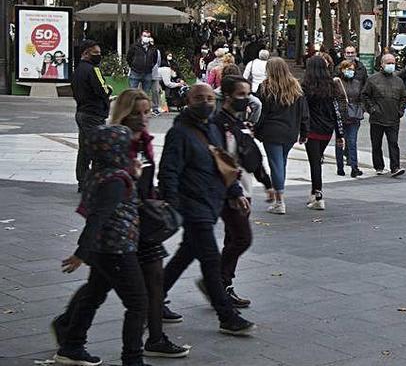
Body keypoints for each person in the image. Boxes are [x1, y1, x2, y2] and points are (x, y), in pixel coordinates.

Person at [160, 83, 255, 336]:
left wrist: (235, 191)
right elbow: (168, 171)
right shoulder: (179, 133)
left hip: (210, 202)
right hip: (193, 205)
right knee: (211, 261)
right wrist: (173, 203)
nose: (206, 103)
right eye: (199, 98)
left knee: (186, 254)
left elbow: (222, 161)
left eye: (210, 98)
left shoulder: (211, 128)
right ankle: (227, 316)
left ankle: (154, 297)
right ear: (188, 101)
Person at [52, 125, 149, 366]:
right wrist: (80, 253)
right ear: (116, 149)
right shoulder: (115, 179)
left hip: (103, 250)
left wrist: (132, 176)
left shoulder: (101, 173)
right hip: (116, 250)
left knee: (92, 295)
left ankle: (72, 346)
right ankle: (132, 359)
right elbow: (100, 217)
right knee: (138, 303)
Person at [106, 89, 190, 359]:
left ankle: (155, 338)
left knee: (154, 282)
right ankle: (70, 332)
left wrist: (156, 199)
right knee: (99, 288)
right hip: (122, 225)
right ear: (124, 114)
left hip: (143, 223)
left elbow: (145, 181)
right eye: (137, 113)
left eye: (146, 112)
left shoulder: (143, 142)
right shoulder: (115, 143)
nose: (143, 118)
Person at [213, 76, 273, 308]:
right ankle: (220, 283)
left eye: (248, 94)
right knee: (240, 238)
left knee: (235, 238)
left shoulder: (240, 124)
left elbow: (252, 156)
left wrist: (266, 183)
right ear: (227, 96)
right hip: (229, 192)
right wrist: (235, 191)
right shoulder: (219, 124)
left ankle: (220, 283)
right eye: (240, 94)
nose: (246, 99)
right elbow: (222, 162)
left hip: (243, 190)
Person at [255, 58, 310, 214]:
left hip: (271, 131)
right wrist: (304, 131)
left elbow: (260, 112)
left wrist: (256, 129)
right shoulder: (295, 87)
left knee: (276, 164)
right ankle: (280, 194)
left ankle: (280, 201)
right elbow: (303, 112)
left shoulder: (265, 87)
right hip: (290, 131)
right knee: (282, 162)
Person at [302, 55, 346, 210]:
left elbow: (303, 110)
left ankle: (317, 194)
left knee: (314, 162)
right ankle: (315, 192)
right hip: (327, 129)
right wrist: (340, 134)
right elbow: (336, 110)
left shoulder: (306, 87)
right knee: (318, 159)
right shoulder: (331, 85)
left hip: (312, 129)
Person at [72, 40, 113, 192]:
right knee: (98, 148)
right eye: (96, 53)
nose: (99, 56)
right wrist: (109, 89)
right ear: (85, 53)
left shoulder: (77, 70)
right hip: (94, 114)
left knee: (84, 149)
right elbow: (103, 90)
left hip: (82, 112)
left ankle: (82, 181)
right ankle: (97, 181)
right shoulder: (93, 69)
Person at [362, 53, 406, 177]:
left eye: (393, 63)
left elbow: (404, 97)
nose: (391, 65)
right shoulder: (373, 79)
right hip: (377, 118)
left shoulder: (398, 81)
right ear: (382, 64)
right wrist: (372, 109)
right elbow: (365, 96)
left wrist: (400, 111)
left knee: (393, 143)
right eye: (388, 63)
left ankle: (395, 167)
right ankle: (378, 166)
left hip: (393, 118)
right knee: (376, 143)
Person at [336, 60, 365, 178]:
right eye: (348, 69)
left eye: (352, 69)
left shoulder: (357, 83)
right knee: (340, 142)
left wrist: (361, 109)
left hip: (354, 116)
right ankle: (340, 167)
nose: (350, 72)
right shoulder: (337, 83)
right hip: (340, 116)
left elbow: (362, 98)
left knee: (352, 142)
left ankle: (354, 167)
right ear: (342, 70)